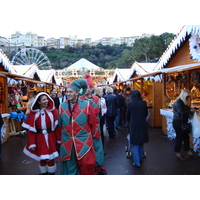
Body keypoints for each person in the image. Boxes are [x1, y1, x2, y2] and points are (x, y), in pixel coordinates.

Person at [58, 78, 97, 175]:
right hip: (67, 143)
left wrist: (93, 138)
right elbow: (60, 125)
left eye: (71, 92)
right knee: (70, 168)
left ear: (77, 92)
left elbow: (93, 123)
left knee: (86, 166)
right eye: (67, 92)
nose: (68, 94)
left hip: (84, 142)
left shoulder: (87, 105)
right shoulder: (62, 106)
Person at [22, 92, 61, 175]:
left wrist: (59, 140)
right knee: (41, 157)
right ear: (39, 102)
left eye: (47, 99)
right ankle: (43, 173)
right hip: (39, 138)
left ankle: (51, 173)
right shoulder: (34, 114)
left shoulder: (54, 111)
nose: (46, 101)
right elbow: (31, 130)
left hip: (51, 137)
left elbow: (57, 128)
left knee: (51, 157)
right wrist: (32, 143)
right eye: (44, 99)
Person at [81, 74, 107, 175]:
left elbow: (100, 113)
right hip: (84, 128)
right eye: (85, 88)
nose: (87, 89)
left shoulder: (97, 100)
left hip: (96, 127)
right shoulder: (80, 100)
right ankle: (88, 167)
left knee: (98, 147)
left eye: (89, 88)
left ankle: (99, 166)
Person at [172, 89, 197, 161]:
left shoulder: (181, 102)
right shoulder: (179, 102)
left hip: (181, 122)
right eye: (187, 97)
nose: (187, 98)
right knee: (179, 137)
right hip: (178, 122)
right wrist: (190, 111)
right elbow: (181, 112)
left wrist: (190, 110)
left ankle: (188, 152)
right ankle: (178, 153)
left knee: (185, 137)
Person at [127, 90, 149, 168]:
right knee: (141, 142)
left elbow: (128, 115)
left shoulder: (130, 103)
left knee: (135, 143)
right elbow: (146, 113)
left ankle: (136, 162)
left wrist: (129, 122)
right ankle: (140, 158)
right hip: (142, 124)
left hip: (134, 124)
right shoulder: (143, 103)